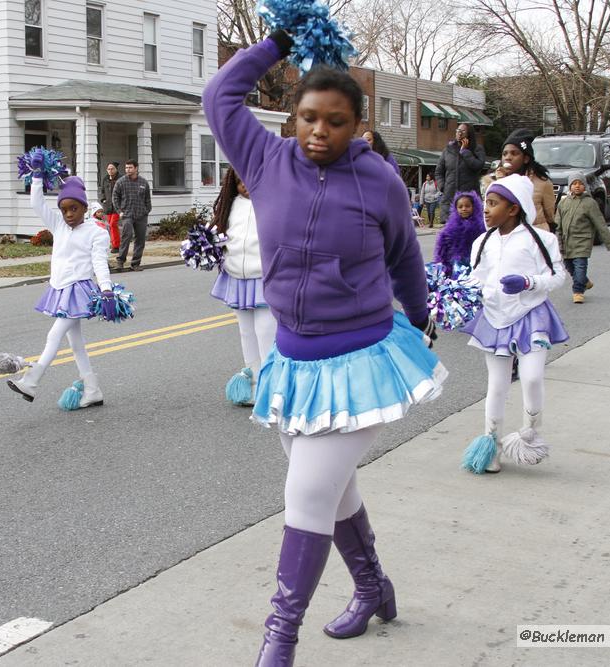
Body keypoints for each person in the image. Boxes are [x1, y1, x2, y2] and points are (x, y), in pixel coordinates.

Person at [204, 31, 446, 666]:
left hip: (363, 359)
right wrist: (279, 38)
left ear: (358, 126)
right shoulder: (264, 158)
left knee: (308, 493)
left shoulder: (380, 181)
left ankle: (278, 643)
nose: (319, 132)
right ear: (293, 117)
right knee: (333, 490)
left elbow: (403, 258)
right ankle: (373, 589)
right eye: (308, 117)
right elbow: (219, 93)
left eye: (335, 122)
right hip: (293, 361)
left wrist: (423, 317)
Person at [460, 174, 568, 474]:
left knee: (532, 377)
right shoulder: (482, 242)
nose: (486, 209)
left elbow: (558, 276)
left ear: (514, 208)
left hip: (531, 316)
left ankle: (529, 435)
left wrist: (528, 282)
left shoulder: (541, 240)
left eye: (493, 204)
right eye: (486, 203)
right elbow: (475, 278)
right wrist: (460, 290)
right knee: (496, 385)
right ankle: (490, 446)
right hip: (494, 318)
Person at [7, 165, 113, 407]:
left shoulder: (95, 233)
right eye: (64, 209)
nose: (68, 214)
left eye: (74, 208)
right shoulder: (59, 226)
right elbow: (36, 204)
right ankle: (93, 389)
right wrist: (35, 176)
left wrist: (106, 289)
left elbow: (99, 263)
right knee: (76, 344)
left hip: (79, 290)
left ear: (85, 208)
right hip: (60, 288)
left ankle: (31, 380)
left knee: (54, 334)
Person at [209, 167, 277, 405]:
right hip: (237, 277)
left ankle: (272, 386)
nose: (245, 186)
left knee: (265, 331)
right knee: (246, 332)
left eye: (250, 180)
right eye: (240, 182)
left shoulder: (274, 203)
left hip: (265, 278)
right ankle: (253, 381)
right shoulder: (230, 205)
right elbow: (217, 236)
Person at [555, 172, 610, 304]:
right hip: (566, 242)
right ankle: (585, 281)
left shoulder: (590, 203)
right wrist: (556, 241)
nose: (577, 186)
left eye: (580, 184)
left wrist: (609, 242)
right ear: (570, 187)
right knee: (570, 267)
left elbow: (600, 223)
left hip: (582, 241)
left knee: (580, 266)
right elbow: (557, 224)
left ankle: (578, 291)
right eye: (574, 184)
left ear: (585, 187)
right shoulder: (563, 203)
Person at [483, 129, 556, 232]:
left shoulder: (542, 183)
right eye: (505, 154)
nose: (508, 157)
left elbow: (551, 216)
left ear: (526, 158)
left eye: (514, 153)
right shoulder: (494, 184)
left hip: (535, 239)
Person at [435, 122, 485, 221]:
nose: (459, 133)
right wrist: (443, 187)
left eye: (462, 131)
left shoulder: (477, 149)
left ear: (469, 133)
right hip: (450, 199)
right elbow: (438, 172)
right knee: (451, 232)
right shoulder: (448, 150)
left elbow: (478, 166)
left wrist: (465, 152)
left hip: (469, 200)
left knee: (470, 231)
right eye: (458, 130)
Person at [111, 159, 151, 271]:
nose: (128, 170)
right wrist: (119, 211)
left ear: (136, 168)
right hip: (126, 214)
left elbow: (147, 198)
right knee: (126, 236)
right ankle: (120, 262)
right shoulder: (121, 182)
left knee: (140, 240)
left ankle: (135, 264)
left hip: (141, 215)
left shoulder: (143, 182)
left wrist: (146, 210)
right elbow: (115, 197)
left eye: (130, 167)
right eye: (126, 168)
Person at [433, 191, 485, 270]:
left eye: (467, 206)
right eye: (460, 207)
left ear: (474, 207)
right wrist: (442, 266)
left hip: (476, 266)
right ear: (455, 209)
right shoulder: (449, 228)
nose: (464, 209)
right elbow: (442, 250)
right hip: (455, 267)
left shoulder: (481, 227)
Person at [98, 162, 122, 253]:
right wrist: (103, 199)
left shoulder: (121, 179)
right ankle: (113, 244)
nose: (110, 171)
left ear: (116, 169)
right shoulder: (105, 179)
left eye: (112, 169)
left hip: (117, 206)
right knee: (109, 226)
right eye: (108, 169)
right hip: (108, 206)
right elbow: (102, 190)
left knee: (113, 224)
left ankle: (116, 246)